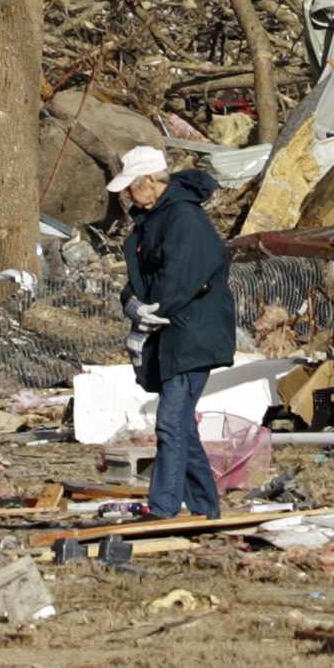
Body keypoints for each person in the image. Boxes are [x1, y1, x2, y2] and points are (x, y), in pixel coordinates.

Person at [114, 142, 237, 520]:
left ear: (151, 181)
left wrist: (152, 310)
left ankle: (163, 507)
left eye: (131, 186)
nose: (127, 195)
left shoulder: (184, 219)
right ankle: (204, 508)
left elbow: (179, 279)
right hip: (173, 331)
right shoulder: (154, 219)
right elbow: (144, 279)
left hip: (191, 334)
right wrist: (132, 303)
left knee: (170, 422)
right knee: (181, 424)